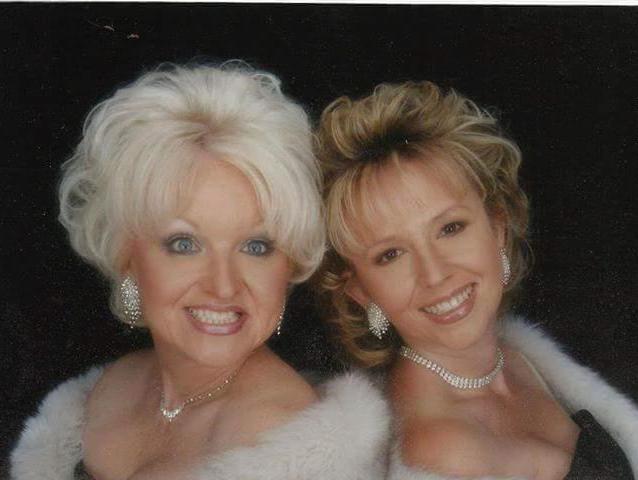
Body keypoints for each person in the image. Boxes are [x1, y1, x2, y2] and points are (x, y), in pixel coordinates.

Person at [10, 63, 389, 480]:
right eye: (184, 244)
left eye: (256, 247)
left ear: (289, 267)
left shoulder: (300, 452)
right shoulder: (101, 395)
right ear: (126, 255)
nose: (223, 286)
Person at [315, 81, 638, 479]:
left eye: (450, 228)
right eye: (391, 254)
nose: (435, 274)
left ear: (497, 226)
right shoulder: (441, 450)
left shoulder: (523, 361)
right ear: (361, 290)